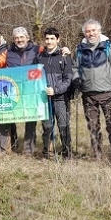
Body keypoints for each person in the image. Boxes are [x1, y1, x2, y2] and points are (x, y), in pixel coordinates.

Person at [72, 19, 111, 160]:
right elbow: (75, 68)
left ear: (99, 31)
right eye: (88, 31)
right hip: (88, 95)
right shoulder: (79, 49)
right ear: (84, 33)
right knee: (93, 127)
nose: (91, 33)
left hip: (108, 94)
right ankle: (98, 156)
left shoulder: (109, 46)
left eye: (94, 30)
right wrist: (76, 79)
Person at [0, 27, 43, 158]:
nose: (19, 40)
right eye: (16, 38)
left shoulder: (38, 49)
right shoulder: (8, 52)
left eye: (22, 37)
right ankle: (4, 149)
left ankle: (28, 150)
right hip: (12, 91)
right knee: (4, 117)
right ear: (13, 39)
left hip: (31, 91)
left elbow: (50, 56)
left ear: (27, 37)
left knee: (30, 119)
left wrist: (63, 51)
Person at [38, 27, 74, 159]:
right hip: (44, 99)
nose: (49, 41)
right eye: (47, 38)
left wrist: (56, 90)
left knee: (63, 125)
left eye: (52, 38)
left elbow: (68, 79)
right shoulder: (40, 57)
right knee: (47, 126)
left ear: (58, 39)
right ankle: (47, 152)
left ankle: (67, 153)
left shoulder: (64, 56)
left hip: (60, 98)